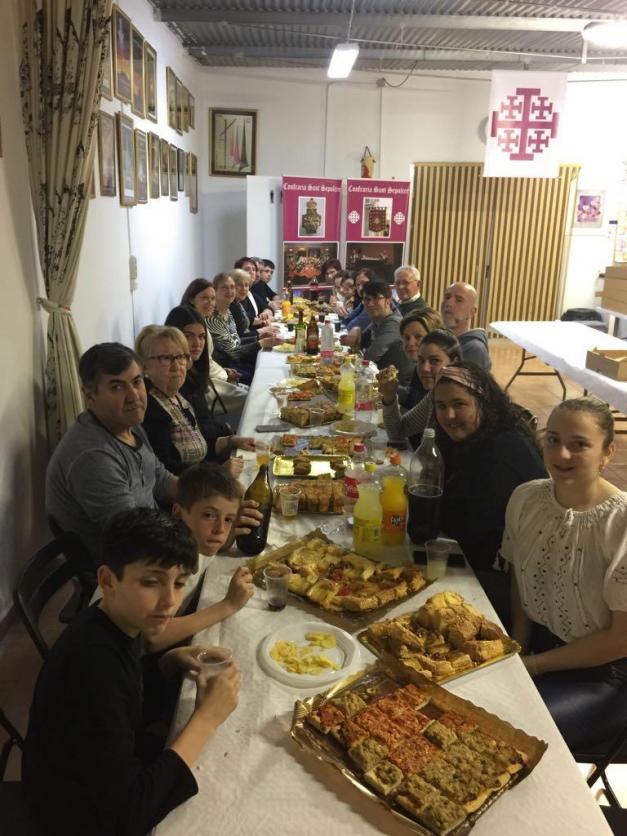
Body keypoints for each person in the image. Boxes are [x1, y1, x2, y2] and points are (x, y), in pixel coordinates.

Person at [22, 507, 241, 836]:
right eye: (151, 582)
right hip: (69, 817)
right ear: (108, 580)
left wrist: (168, 662)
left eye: (180, 582)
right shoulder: (93, 668)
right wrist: (206, 719)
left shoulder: (114, 620)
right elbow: (126, 817)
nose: (170, 601)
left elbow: (124, 706)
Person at [502, 398, 627, 750]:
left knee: (508, 736)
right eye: (553, 440)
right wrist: (518, 644)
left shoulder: (620, 523)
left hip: (600, 675)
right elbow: (521, 577)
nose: (562, 454)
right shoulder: (526, 498)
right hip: (539, 646)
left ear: (607, 452)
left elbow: (620, 639)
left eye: (579, 444)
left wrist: (534, 665)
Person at [432, 362, 545, 623]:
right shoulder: (476, 438)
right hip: (482, 556)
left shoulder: (502, 452)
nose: (449, 415)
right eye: (441, 406)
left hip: (515, 585)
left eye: (459, 404)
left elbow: (465, 528)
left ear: (483, 403)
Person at [46, 343, 178, 565]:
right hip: (127, 566)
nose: (134, 396)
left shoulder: (129, 425)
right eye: (117, 387)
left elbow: (162, 481)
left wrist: (213, 500)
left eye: (137, 382)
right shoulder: (92, 456)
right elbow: (133, 538)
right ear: (90, 395)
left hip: (153, 538)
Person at [135, 325, 254, 477]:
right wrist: (219, 473)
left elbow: (199, 447)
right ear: (145, 366)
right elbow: (166, 472)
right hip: (191, 487)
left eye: (180, 357)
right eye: (165, 358)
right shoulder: (151, 409)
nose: (176, 366)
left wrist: (231, 441)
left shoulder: (178, 397)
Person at [379, 329, 462, 448]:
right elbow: (398, 432)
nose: (424, 369)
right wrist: (389, 396)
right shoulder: (435, 394)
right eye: (421, 360)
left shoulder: (465, 398)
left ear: (454, 362)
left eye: (435, 361)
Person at [180, 279, 250, 414]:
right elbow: (202, 362)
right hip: (199, 385)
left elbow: (207, 360)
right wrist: (225, 374)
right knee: (250, 399)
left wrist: (224, 371)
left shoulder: (203, 320)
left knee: (251, 392)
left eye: (213, 298)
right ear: (191, 299)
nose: (211, 302)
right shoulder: (190, 323)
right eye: (204, 298)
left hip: (209, 376)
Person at [206, 273, 278, 385]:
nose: (230, 291)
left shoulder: (227, 311)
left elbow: (236, 341)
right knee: (265, 376)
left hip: (236, 361)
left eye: (232, 287)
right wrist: (260, 342)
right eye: (225, 288)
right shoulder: (212, 319)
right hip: (226, 368)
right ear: (214, 291)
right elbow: (232, 352)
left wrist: (258, 337)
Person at [360, 280, 414, 384]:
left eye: (376, 298)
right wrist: (356, 330)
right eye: (367, 299)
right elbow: (360, 339)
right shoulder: (379, 320)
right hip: (383, 379)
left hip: (399, 385)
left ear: (388, 301)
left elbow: (370, 357)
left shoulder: (393, 323)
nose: (370, 303)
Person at [395, 307, 444, 410]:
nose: (410, 343)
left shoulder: (441, 374)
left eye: (418, 337)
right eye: (407, 338)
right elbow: (411, 401)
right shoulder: (419, 367)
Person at [440, 282, 491, 370]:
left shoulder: (475, 350)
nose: (448, 303)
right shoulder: (436, 337)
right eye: (447, 297)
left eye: (459, 300)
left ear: (472, 312)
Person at [230, 269, 277, 337]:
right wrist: (262, 331)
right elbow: (239, 337)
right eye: (240, 285)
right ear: (231, 286)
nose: (244, 288)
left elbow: (250, 320)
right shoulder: (231, 306)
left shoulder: (237, 304)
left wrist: (264, 322)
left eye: (246, 285)